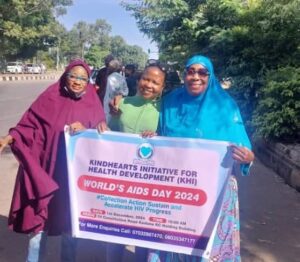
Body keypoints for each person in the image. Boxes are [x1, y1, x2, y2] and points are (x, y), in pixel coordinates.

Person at [147, 54, 255, 261]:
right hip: (176, 189)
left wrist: (247, 157)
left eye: (202, 72)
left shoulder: (225, 106)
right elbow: (158, 135)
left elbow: (245, 148)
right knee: (173, 242)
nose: (196, 77)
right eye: (190, 71)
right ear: (184, 75)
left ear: (210, 76)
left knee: (207, 248)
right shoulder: (170, 102)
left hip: (215, 192)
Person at [0, 59, 105, 262]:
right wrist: (8, 138)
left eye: (83, 78)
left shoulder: (93, 101)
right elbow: (28, 125)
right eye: (73, 76)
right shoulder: (50, 95)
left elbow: (100, 133)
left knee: (69, 227)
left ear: (88, 81)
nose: (77, 81)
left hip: (71, 179)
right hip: (46, 172)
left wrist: (88, 130)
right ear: (65, 76)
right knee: (38, 228)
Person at [98, 63, 167, 262]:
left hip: (150, 181)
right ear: (138, 80)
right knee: (116, 231)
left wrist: (157, 136)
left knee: (143, 235)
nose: (149, 85)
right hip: (121, 179)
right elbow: (112, 134)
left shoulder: (165, 110)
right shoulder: (122, 103)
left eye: (155, 82)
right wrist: (103, 125)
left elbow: (170, 142)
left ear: (162, 88)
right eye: (146, 79)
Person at [103, 59, 128, 127]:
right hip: (120, 104)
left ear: (111, 68)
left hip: (110, 106)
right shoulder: (122, 77)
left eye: (109, 67)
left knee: (109, 125)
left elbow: (110, 93)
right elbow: (126, 91)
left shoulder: (111, 78)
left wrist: (114, 101)